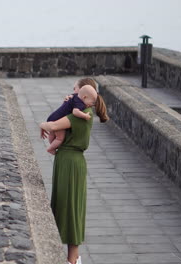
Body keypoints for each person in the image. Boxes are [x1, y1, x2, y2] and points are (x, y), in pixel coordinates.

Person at [40, 78, 109, 264]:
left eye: (75, 90)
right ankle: (72, 259)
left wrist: (43, 125)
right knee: (67, 207)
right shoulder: (78, 112)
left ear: (83, 94)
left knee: (70, 209)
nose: (72, 93)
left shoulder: (78, 116)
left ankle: (73, 261)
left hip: (70, 164)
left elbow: (52, 125)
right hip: (68, 161)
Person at [45, 82, 96, 155]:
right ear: (84, 97)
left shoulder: (74, 96)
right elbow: (75, 112)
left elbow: (70, 97)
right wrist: (85, 116)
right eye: (92, 102)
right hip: (58, 120)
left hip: (52, 117)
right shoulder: (80, 103)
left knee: (52, 134)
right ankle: (51, 148)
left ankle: (52, 145)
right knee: (59, 138)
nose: (92, 104)